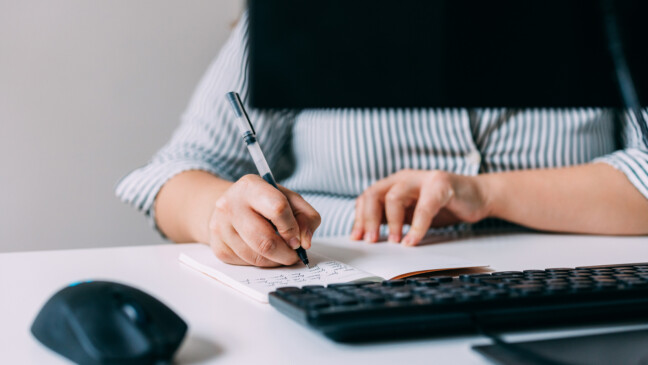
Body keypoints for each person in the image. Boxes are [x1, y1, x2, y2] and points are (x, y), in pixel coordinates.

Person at [116, 12, 648, 268]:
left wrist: (486, 194)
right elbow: (167, 178)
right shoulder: (298, 18)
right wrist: (226, 214)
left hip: (560, 293)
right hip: (337, 281)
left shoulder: (607, 18)